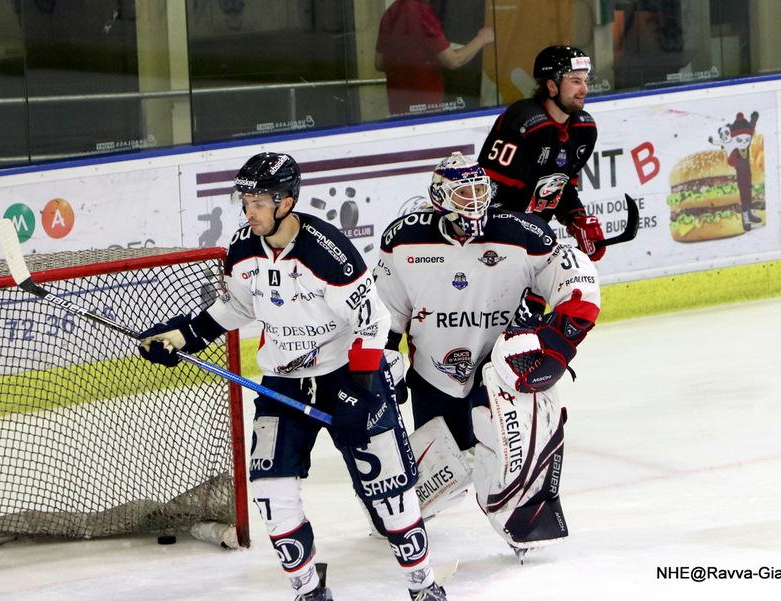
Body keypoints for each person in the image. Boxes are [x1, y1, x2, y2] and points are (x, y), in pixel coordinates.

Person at [137, 152, 449, 601]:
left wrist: (362, 390)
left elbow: (372, 321)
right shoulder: (243, 250)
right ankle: (309, 591)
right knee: (271, 491)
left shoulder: (328, 252)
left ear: (286, 202)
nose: (250, 211)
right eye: (246, 201)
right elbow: (238, 307)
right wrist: (185, 336)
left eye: (259, 202)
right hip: (284, 383)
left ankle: (423, 585)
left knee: (389, 490)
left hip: (347, 376)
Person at [373, 152, 601, 558]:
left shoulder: (522, 233)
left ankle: (527, 522)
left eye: (480, 190)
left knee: (507, 455)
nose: (475, 201)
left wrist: (557, 346)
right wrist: (381, 359)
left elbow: (576, 281)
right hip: (434, 373)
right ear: (440, 197)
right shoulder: (403, 239)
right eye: (464, 193)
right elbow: (385, 311)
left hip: (502, 370)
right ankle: (396, 514)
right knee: (442, 472)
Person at [477, 46, 607, 262]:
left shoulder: (583, 130)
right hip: (494, 244)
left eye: (586, 80)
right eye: (576, 81)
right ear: (552, 85)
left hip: (532, 239)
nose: (584, 89)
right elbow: (489, 195)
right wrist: (531, 236)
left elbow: (561, 187)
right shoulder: (526, 123)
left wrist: (576, 218)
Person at [375, 0, 494, 116]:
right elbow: (454, 61)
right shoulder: (422, 12)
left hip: (398, 109)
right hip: (426, 109)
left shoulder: (391, 12)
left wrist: (422, 54)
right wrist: (482, 39)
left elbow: (379, 63)